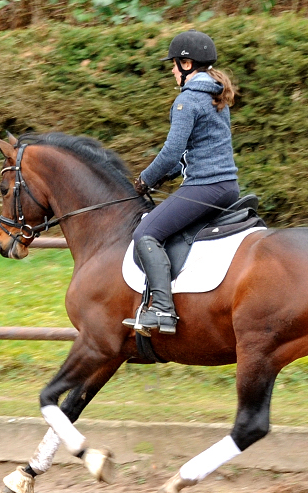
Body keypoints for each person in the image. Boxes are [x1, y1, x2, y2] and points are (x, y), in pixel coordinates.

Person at [123, 30, 240, 336]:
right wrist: (167, 174)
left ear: (187, 64)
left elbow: (171, 151)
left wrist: (145, 179)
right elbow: (193, 152)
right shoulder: (216, 95)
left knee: (146, 232)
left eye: (175, 63)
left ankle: (162, 308)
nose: (172, 69)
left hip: (204, 187)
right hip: (228, 186)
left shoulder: (186, 100)